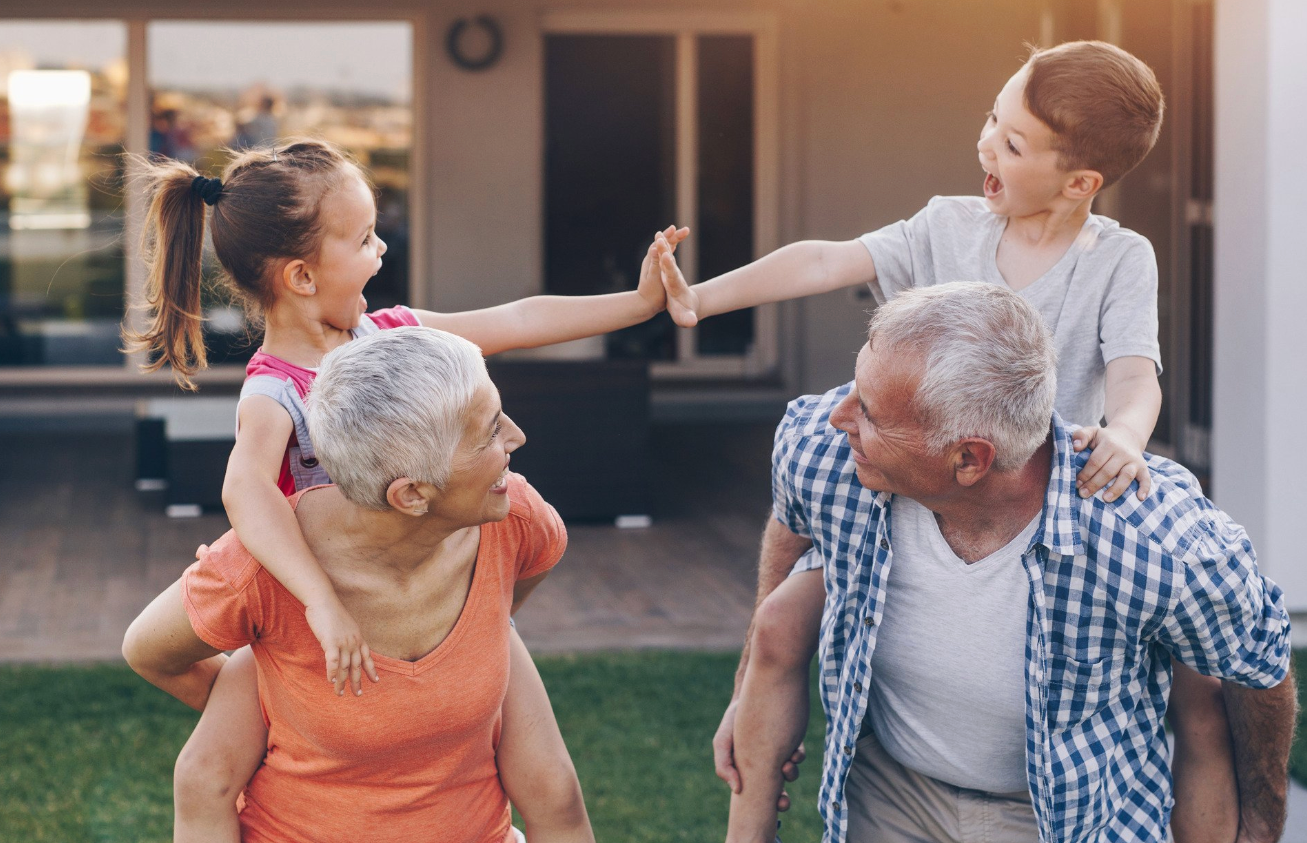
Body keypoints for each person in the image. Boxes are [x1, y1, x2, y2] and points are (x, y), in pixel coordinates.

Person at [658, 41, 1241, 842]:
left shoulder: (1118, 261)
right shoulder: (947, 226)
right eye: (991, 122)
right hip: (922, 481)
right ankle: (750, 811)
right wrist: (702, 299)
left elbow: (1136, 375)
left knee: (1196, 691)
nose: (985, 145)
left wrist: (1127, 436)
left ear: (1081, 183)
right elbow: (828, 257)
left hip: (1031, 507)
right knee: (782, 622)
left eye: (1011, 143)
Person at [123, 138, 688, 842]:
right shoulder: (273, 392)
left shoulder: (388, 334)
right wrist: (306, 640)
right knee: (204, 775)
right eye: (363, 240)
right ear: (301, 275)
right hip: (313, 612)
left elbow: (512, 321)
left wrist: (638, 306)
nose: (381, 252)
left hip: (415, 583)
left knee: (555, 792)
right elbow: (246, 494)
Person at [768, 282, 1295, 843]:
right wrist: (754, 679)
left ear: (969, 459)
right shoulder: (821, 451)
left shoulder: (1156, 540)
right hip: (890, 793)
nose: (837, 416)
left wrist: (1263, 825)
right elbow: (791, 527)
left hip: (1068, 817)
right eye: (855, 387)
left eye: (868, 412)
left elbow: (1259, 666)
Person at [124, 326, 572, 843]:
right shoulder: (260, 567)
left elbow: (525, 576)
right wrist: (271, 704)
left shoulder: (516, 519)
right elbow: (150, 652)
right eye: (490, 432)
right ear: (410, 495)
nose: (516, 437)